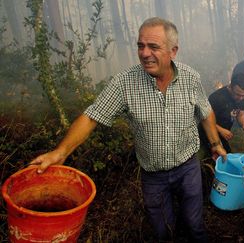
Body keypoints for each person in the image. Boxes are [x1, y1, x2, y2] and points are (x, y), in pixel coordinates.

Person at [30, 17, 226, 242]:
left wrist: (216, 144)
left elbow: (205, 110)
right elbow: (92, 116)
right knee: (163, 232)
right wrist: (60, 152)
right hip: (153, 177)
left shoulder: (190, 78)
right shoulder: (124, 83)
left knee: (195, 226)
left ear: (173, 51)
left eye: (153, 47)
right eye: (140, 46)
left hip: (188, 168)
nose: (144, 53)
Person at [199, 73, 244, 158]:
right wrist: (221, 130)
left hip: (223, 134)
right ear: (231, 87)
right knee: (215, 158)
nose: (241, 98)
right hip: (208, 133)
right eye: (238, 94)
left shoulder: (241, 97)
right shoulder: (217, 98)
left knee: (227, 156)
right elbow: (204, 119)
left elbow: (240, 113)